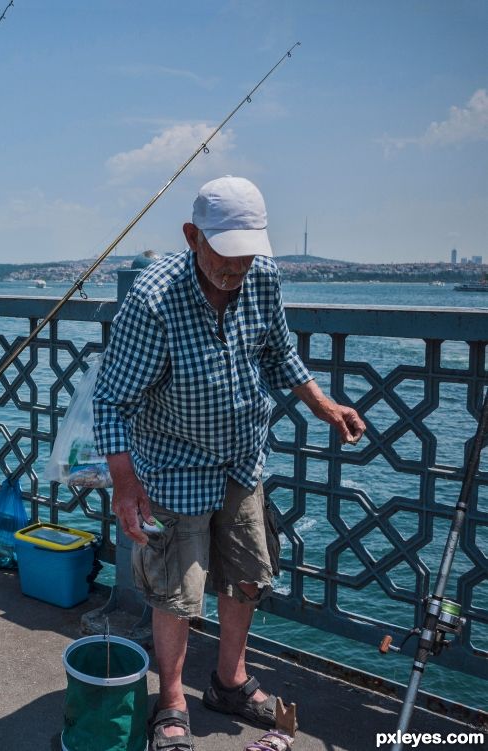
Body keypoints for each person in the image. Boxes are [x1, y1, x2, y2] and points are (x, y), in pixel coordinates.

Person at [93, 176, 365, 750]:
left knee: (246, 574)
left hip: (243, 461)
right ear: (192, 237)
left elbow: (278, 349)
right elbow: (113, 401)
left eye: (248, 254)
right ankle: (169, 700)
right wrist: (125, 485)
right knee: (174, 590)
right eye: (225, 253)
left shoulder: (261, 275)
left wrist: (323, 404)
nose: (237, 267)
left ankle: (229, 681)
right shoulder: (152, 300)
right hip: (174, 465)